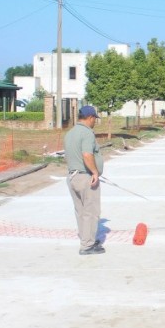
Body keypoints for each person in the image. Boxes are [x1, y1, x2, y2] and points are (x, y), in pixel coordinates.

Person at [64, 105, 105, 256]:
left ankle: (86, 239)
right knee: (91, 212)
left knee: (81, 211)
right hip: (85, 178)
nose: (95, 122)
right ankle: (87, 246)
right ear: (90, 118)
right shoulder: (87, 133)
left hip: (72, 176)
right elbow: (87, 155)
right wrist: (94, 172)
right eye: (95, 119)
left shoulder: (70, 133)